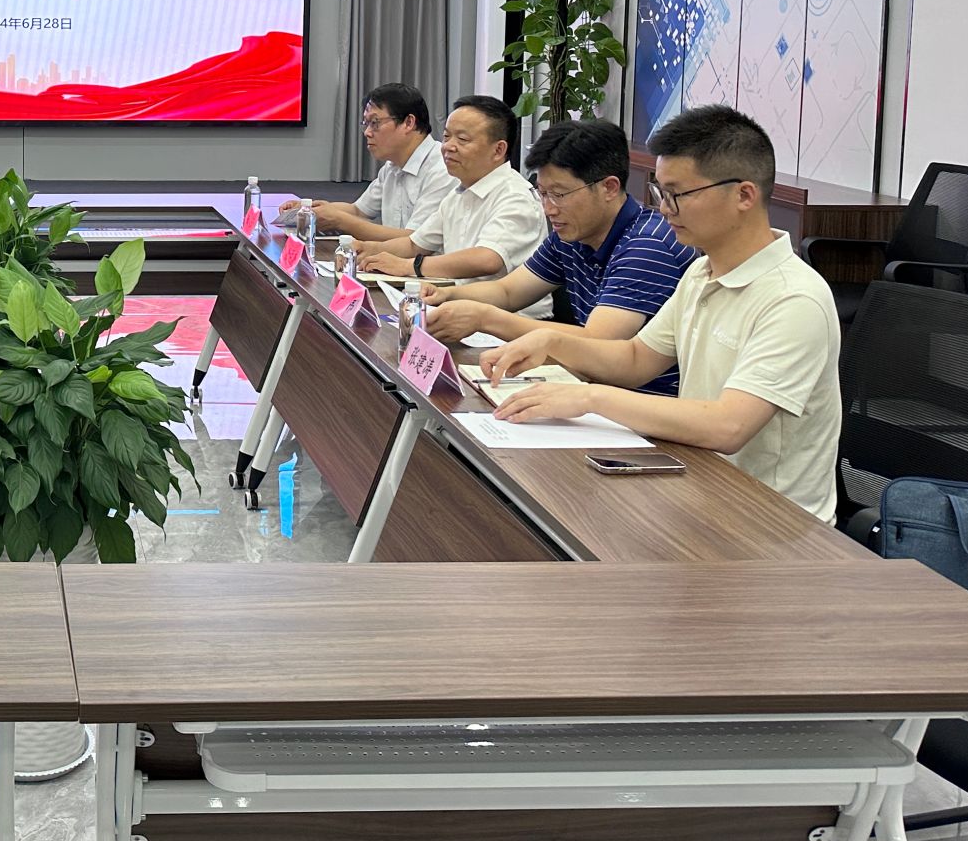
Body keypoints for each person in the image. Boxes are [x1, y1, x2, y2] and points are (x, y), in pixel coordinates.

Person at [479, 104, 843, 522]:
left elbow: (728, 426)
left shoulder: (794, 299)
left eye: (678, 195)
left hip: (770, 521)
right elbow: (636, 359)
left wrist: (589, 397)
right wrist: (550, 342)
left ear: (744, 195)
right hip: (699, 486)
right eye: (659, 192)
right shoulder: (702, 272)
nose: (665, 208)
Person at [419, 119, 693, 393]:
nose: (549, 209)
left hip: (641, 402)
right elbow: (508, 292)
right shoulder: (574, 233)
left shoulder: (647, 246)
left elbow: (596, 340)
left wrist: (485, 319)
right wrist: (447, 295)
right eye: (543, 193)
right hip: (592, 385)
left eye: (559, 194)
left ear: (609, 187)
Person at [358, 94, 549, 314]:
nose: (448, 146)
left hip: (511, 322)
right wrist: (367, 249)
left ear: (498, 150)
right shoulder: (459, 192)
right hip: (459, 307)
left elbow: (487, 259)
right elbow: (414, 244)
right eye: (447, 136)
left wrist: (409, 266)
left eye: (462, 139)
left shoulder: (515, 196)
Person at [282, 82, 452, 243]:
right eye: (366, 123)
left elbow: (414, 241)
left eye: (375, 123)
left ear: (408, 123)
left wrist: (341, 220)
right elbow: (358, 211)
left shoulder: (443, 169)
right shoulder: (392, 166)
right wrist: (313, 209)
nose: (367, 133)